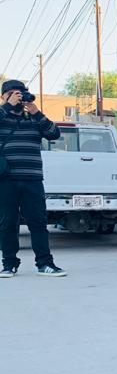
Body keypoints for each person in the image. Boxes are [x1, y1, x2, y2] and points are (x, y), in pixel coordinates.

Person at [0, 79, 64, 278]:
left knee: (38, 222)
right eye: (12, 93)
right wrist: (7, 106)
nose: (18, 96)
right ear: (3, 96)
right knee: (7, 223)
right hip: (6, 180)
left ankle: (45, 264)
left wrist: (36, 111)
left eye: (21, 92)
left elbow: (55, 134)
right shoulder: (2, 118)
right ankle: (9, 264)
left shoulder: (34, 119)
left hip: (33, 180)